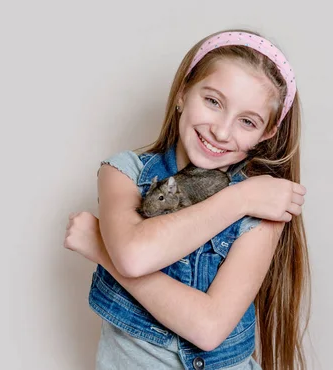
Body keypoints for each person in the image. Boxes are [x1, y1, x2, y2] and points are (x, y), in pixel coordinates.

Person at [64, 28, 311, 370]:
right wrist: (239, 199)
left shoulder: (263, 207)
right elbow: (135, 255)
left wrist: (101, 249)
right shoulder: (124, 174)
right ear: (182, 93)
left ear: (266, 134)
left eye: (247, 121)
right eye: (213, 101)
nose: (222, 131)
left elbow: (208, 329)